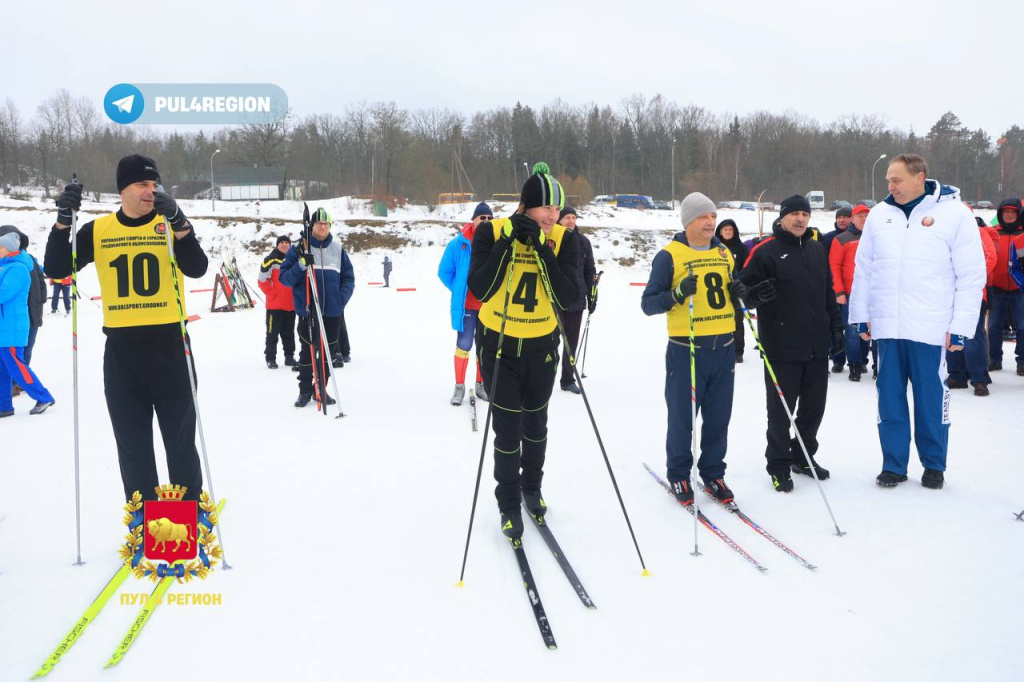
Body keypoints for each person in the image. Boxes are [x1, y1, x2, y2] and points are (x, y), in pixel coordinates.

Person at [43, 154, 209, 501]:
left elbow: (197, 268)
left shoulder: (167, 224)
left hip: (171, 346)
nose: (151, 191)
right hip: (123, 351)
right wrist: (61, 225)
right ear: (124, 189)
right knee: (133, 444)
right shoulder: (100, 230)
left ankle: (188, 515)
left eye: (154, 184)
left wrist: (181, 223)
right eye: (142, 184)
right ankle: (145, 518)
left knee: (179, 440)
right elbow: (57, 268)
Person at [849, 154, 985, 490]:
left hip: (930, 327)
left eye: (896, 179)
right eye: (888, 181)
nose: (890, 186)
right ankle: (893, 464)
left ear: (919, 177)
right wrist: (860, 315)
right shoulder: (880, 215)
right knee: (889, 399)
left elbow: (971, 274)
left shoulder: (955, 214)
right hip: (888, 328)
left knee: (930, 400)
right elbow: (864, 269)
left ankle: (934, 464)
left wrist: (962, 326)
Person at [467, 162, 579, 538]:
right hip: (499, 346)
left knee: (536, 424)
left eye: (557, 208)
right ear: (526, 205)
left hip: (541, 347)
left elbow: (570, 296)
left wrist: (542, 251)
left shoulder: (566, 239)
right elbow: (480, 288)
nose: (553, 215)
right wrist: (508, 242)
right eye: (546, 208)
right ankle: (508, 501)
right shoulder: (492, 232)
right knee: (507, 428)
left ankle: (532, 487)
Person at [641, 193, 768, 506]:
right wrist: (678, 294)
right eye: (702, 217)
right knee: (683, 417)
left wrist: (745, 293)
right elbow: (648, 304)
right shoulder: (670, 255)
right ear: (688, 221)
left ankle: (713, 473)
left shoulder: (724, 252)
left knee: (718, 417)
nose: (710, 222)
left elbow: (733, 292)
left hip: (723, 346)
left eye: (712, 216)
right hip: (687, 347)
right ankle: (680, 473)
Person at [741, 195, 844, 492]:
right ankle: (778, 465)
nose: (800, 219)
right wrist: (755, 296)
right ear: (782, 217)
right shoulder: (765, 252)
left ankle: (802, 455)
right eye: (794, 214)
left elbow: (828, 291)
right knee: (781, 411)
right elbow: (741, 291)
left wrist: (836, 326)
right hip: (781, 346)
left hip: (815, 345)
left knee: (814, 408)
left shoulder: (815, 249)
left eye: (805, 214)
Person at [278, 208, 354, 408]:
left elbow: (348, 278)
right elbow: (284, 279)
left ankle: (320, 388)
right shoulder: (298, 250)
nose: (323, 227)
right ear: (312, 226)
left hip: (332, 311)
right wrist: (301, 265)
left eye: (327, 224)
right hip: (308, 310)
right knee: (307, 353)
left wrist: (341, 299)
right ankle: (304, 390)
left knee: (328, 353)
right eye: (320, 223)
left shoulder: (338, 250)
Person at [438, 202, 492, 405]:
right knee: (464, 345)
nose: (486, 222)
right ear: (474, 220)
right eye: (482, 218)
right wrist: (459, 290)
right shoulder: (458, 244)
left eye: (489, 218)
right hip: (468, 306)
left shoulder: (495, 242)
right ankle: (459, 387)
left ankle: (481, 385)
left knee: (484, 347)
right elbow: (444, 272)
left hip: (488, 306)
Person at [0, 231, 56, 417]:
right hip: (5, 326)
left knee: (17, 366)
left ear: (9, 250)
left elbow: (4, 293)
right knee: (3, 369)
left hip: (12, 327)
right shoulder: (5, 266)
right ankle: (4, 405)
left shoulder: (18, 268)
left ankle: (43, 396)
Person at [946, 215, 997, 395]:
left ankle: (979, 378)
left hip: (974, 292)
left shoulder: (980, 234)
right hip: (948, 294)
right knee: (951, 332)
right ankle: (956, 374)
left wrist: (970, 279)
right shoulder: (946, 233)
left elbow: (990, 258)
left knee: (973, 335)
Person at [829, 204, 877, 381]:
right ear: (853, 219)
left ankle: (873, 363)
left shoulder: (878, 237)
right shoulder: (842, 239)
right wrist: (839, 291)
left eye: (867, 216)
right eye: (860, 216)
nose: (863, 219)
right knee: (853, 330)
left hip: (876, 293)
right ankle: (854, 364)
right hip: (851, 293)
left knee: (877, 330)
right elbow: (834, 266)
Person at [556, 205, 596, 394]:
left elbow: (590, 270)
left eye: (573, 217)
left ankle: (567, 378)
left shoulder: (583, 241)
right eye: (567, 218)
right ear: (559, 220)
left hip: (576, 298)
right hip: (554, 298)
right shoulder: (551, 239)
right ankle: (544, 377)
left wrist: (592, 293)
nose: (571, 221)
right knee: (550, 340)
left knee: (571, 340)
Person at [985, 198, 1024, 374]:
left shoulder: (1022, 235)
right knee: (994, 327)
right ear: (1000, 214)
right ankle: (994, 359)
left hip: (1019, 290)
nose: (1009, 215)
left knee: (1022, 327)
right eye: (1005, 212)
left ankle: (1022, 361)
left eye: (1013, 212)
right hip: (997, 289)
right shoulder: (993, 233)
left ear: (1018, 214)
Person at [258, 235, 297, 370]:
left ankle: (289, 357)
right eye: (282, 242)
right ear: (277, 245)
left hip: (291, 306)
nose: (285, 244)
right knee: (272, 334)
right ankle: (270, 358)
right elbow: (262, 280)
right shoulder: (270, 260)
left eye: (287, 242)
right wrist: (273, 294)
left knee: (289, 334)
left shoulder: (294, 260)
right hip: (275, 306)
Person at [714, 219, 748, 362]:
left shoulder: (740, 248)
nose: (727, 232)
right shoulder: (714, 248)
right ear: (720, 232)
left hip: (737, 289)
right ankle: (721, 348)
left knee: (737, 321)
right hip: (719, 290)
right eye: (725, 230)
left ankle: (738, 351)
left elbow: (747, 267)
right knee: (720, 321)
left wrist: (740, 281)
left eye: (730, 230)